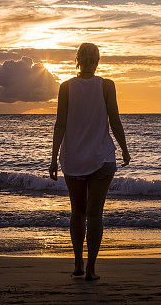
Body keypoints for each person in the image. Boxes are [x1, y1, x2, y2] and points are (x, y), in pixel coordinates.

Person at [49, 42, 131, 281]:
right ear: (97, 61)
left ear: (77, 60)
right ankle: (92, 269)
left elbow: (60, 125)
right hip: (102, 158)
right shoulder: (107, 86)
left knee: (77, 213)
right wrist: (125, 149)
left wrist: (53, 158)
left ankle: (78, 265)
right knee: (95, 215)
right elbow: (115, 121)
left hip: (72, 158)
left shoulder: (65, 87)